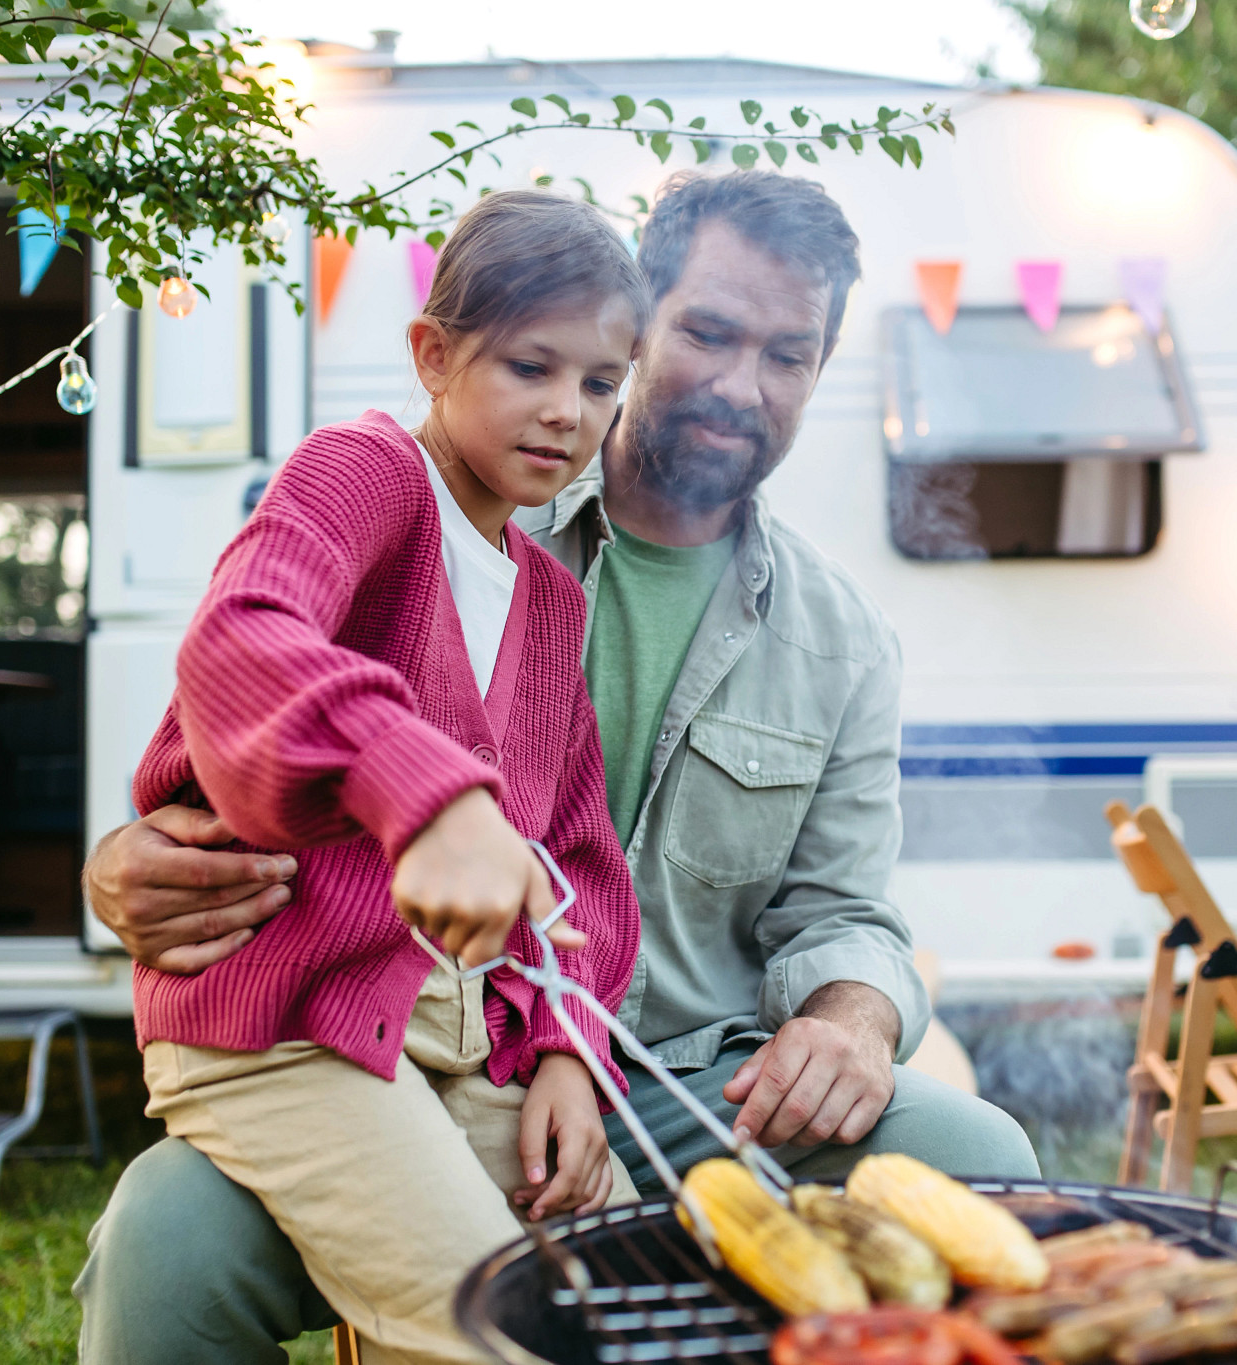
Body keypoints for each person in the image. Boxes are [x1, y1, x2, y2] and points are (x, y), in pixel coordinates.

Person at [75, 171, 1041, 1365]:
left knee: (982, 1157)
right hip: (345, 1035)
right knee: (164, 1244)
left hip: (673, 1088)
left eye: (787, 355)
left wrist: (850, 1019)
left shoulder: (830, 639)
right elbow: (243, 673)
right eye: (708, 333)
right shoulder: (448, 495)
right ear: (644, 323)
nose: (742, 385)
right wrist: (119, 861)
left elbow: (831, 909)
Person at [120, 189, 651, 1365]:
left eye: (602, 383)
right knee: (498, 1329)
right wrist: (433, 794)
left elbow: (576, 859)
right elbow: (244, 638)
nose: (568, 412)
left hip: (466, 1034)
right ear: (433, 353)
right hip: (285, 1025)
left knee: (617, 1313)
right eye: (529, 365)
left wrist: (570, 1045)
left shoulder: (552, 602)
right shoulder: (361, 473)